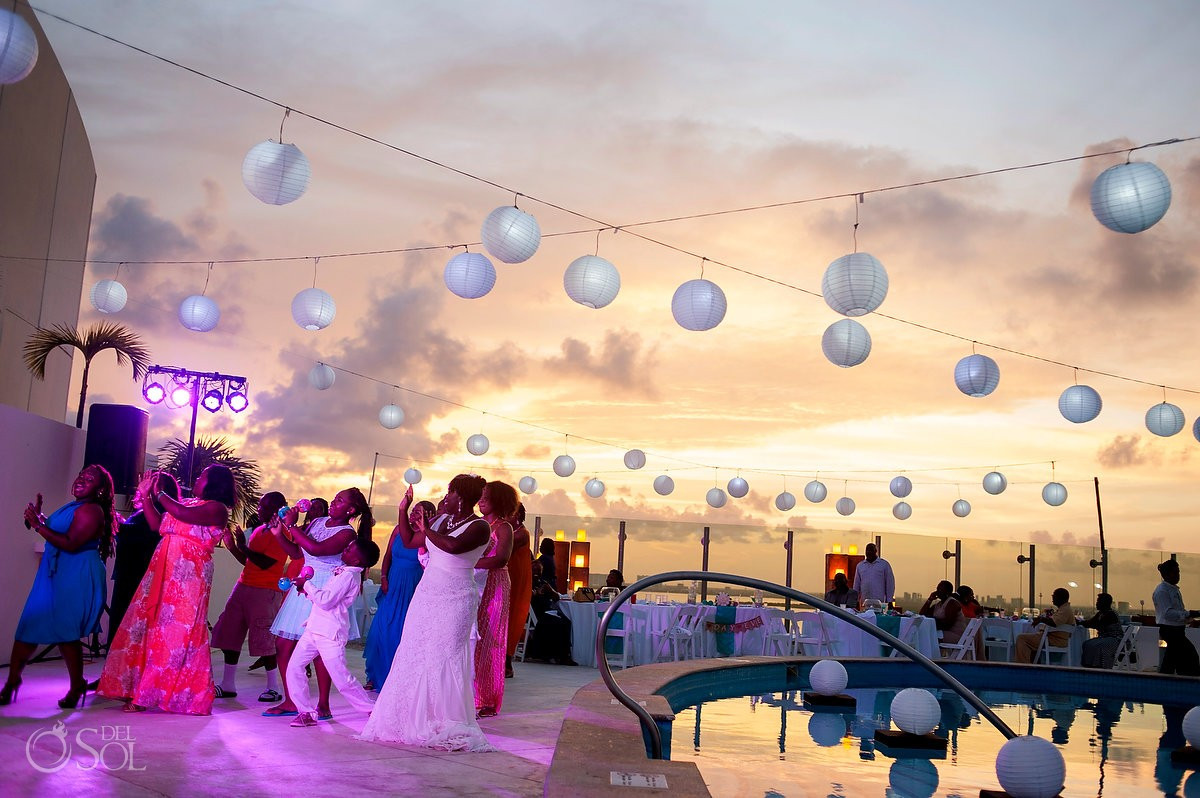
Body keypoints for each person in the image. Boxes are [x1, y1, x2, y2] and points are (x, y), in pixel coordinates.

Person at [358, 474, 495, 751]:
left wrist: (428, 528)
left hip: (457, 596)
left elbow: (454, 547)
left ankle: (442, 718)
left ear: (461, 496)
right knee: (415, 650)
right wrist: (403, 510)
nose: (447, 496)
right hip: (427, 593)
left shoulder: (480, 527)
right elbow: (408, 541)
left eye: (450, 491)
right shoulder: (442, 520)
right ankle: (410, 716)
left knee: (445, 654)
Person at [98, 465, 235, 714]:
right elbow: (157, 524)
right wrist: (149, 495)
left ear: (214, 482)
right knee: (150, 628)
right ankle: (138, 688)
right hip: (164, 567)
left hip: (188, 575)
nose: (197, 478)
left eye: (202, 475)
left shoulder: (217, 508)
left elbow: (179, 512)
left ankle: (147, 696)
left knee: (175, 634)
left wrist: (159, 491)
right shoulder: (190, 501)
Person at [3, 465, 117, 708]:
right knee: (29, 623)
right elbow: (59, 531)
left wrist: (38, 526)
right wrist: (39, 517)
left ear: (99, 489)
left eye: (89, 479)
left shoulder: (92, 510)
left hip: (77, 573)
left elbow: (72, 543)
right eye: (81, 475)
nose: (81, 480)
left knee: (66, 630)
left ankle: (77, 686)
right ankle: (12, 681)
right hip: (57, 572)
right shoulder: (75, 506)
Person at [265, 487, 374, 717]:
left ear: (351, 509)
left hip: (325, 586)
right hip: (305, 581)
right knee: (283, 645)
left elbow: (317, 549)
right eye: (335, 498)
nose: (334, 502)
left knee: (321, 652)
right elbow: (298, 553)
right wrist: (278, 533)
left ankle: (323, 705)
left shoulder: (347, 534)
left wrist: (292, 526)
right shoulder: (318, 521)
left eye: (340, 500)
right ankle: (291, 701)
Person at [287, 538, 381, 728]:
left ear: (356, 561)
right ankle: (305, 712)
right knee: (294, 667)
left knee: (342, 678)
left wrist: (306, 584)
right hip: (315, 628)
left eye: (349, 549)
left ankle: (374, 710)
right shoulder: (343, 573)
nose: (344, 550)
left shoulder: (348, 576)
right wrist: (307, 591)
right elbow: (327, 599)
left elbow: (326, 601)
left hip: (330, 633)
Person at [210, 491, 289, 702]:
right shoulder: (260, 531)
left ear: (276, 509)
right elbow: (249, 562)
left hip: (265, 591)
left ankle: (273, 687)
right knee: (230, 633)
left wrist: (243, 546)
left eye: (263, 507)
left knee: (264, 639)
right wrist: (234, 547)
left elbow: (266, 563)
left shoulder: (282, 533)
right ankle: (227, 684)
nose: (259, 510)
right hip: (243, 586)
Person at [363, 489, 432, 691]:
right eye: (414, 511)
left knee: (400, 633)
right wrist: (383, 576)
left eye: (419, 513)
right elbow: (387, 557)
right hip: (392, 584)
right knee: (380, 631)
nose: (414, 515)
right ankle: (374, 676)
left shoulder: (427, 537)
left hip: (412, 586)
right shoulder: (397, 530)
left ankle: (395, 677)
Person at [108, 472, 178, 647]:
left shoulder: (162, 512)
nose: (145, 485)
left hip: (139, 575)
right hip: (129, 573)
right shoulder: (143, 512)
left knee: (129, 625)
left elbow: (151, 531)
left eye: (152, 482)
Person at [474, 480, 516, 717]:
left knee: (491, 640)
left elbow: (501, 559)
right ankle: (473, 693)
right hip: (474, 582)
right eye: (480, 496)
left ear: (498, 501)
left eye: (486, 497)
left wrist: (468, 564)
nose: (481, 501)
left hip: (495, 584)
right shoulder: (478, 525)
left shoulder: (503, 528)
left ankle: (489, 698)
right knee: (474, 639)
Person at [524, 560, 577, 666]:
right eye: (534, 570)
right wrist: (535, 594)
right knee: (558, 623)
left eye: (539, 570)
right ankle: (561, 656)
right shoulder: (526, 582)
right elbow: (525, 597)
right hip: (535, 614)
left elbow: (557, 597)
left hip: (549, 612)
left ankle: (563, 654)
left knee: (566, 620)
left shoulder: (543, 583)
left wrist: (550, 591)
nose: (536, 572)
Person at [1154, 560, 1200, 676]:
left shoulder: (1173, 590)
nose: (1178, 575)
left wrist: (1190, 619)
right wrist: (1190, 614)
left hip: (1178, 631)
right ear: (1167, 574)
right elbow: (1168, 614)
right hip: (1170, 630)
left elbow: (1178, 612)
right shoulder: (1162, 591)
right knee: (1189, 657)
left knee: (1174, 658)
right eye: (1175, 572)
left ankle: (1169, 679)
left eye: (1178, 572)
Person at [505, 504, 533, 679]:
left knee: (512, 619)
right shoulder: (509, 530)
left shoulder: (522, 533)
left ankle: (507, 663)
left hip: (516, 582)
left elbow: (505, 546)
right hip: (508, 579)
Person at [1014, 587, 1075, 665]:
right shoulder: (1064, 609)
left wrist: (1041, 619)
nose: (1052, 597)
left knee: (1021, 638)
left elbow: (1054, 623)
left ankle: (1022, 666)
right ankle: (1032, 664)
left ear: (1060, 598)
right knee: (1029, 642)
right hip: (1052, 639)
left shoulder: (1065, 610)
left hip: (1053, 640)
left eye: (1054, 595)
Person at [1081, 593, 1124, 669]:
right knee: (1087, 644)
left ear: (1104, 603)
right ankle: (1090, 665)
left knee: (1094, 645)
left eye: (1098, 601)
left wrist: (1080, 622)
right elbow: (1090, 622)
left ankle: (1098, 666)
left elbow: (1094, 624)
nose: (1096, 603)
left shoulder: (1110, 615)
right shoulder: (1101, 613)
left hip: (1115, 640)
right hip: (1106, 638)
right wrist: (1080, 622)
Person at [920, 580, 969, 648]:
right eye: (937, 589)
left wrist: (932, 624)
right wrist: (930, 599)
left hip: (956, 635)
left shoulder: (952, 603)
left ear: (947, 592)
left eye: (940, 589)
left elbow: (948, 624)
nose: (937, 591)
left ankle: (929, 657)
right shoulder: (938, 605)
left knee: (927, 637)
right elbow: (922, 614)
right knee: (923, 635)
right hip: (943, 632)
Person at [852, 543, 894, 608]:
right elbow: (856, 585)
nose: (869, 552)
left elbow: (890, 584)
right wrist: (855, 600)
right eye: (867, 550)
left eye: (871, 550)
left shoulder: (884, 565)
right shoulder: (860, 566)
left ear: (875, 551)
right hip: (865, 602)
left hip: (880, 602)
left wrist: (889, 600)